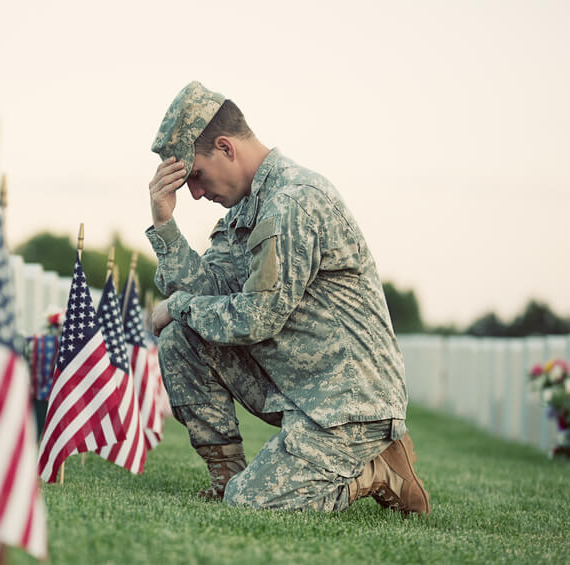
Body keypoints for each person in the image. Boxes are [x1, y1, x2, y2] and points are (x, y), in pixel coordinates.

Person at [145, 81, 430, 514]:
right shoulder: (244, 209)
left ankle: (376, 468)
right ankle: (226, 477)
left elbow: (255, 318)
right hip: (299, 384)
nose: (196, 194)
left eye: (196, 177)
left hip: (348, 402)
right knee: (181, 339)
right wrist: (165, 224)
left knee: (252, 502)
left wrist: (177, 306)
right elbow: (211, 292)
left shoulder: (292, 202)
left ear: (225, 147)